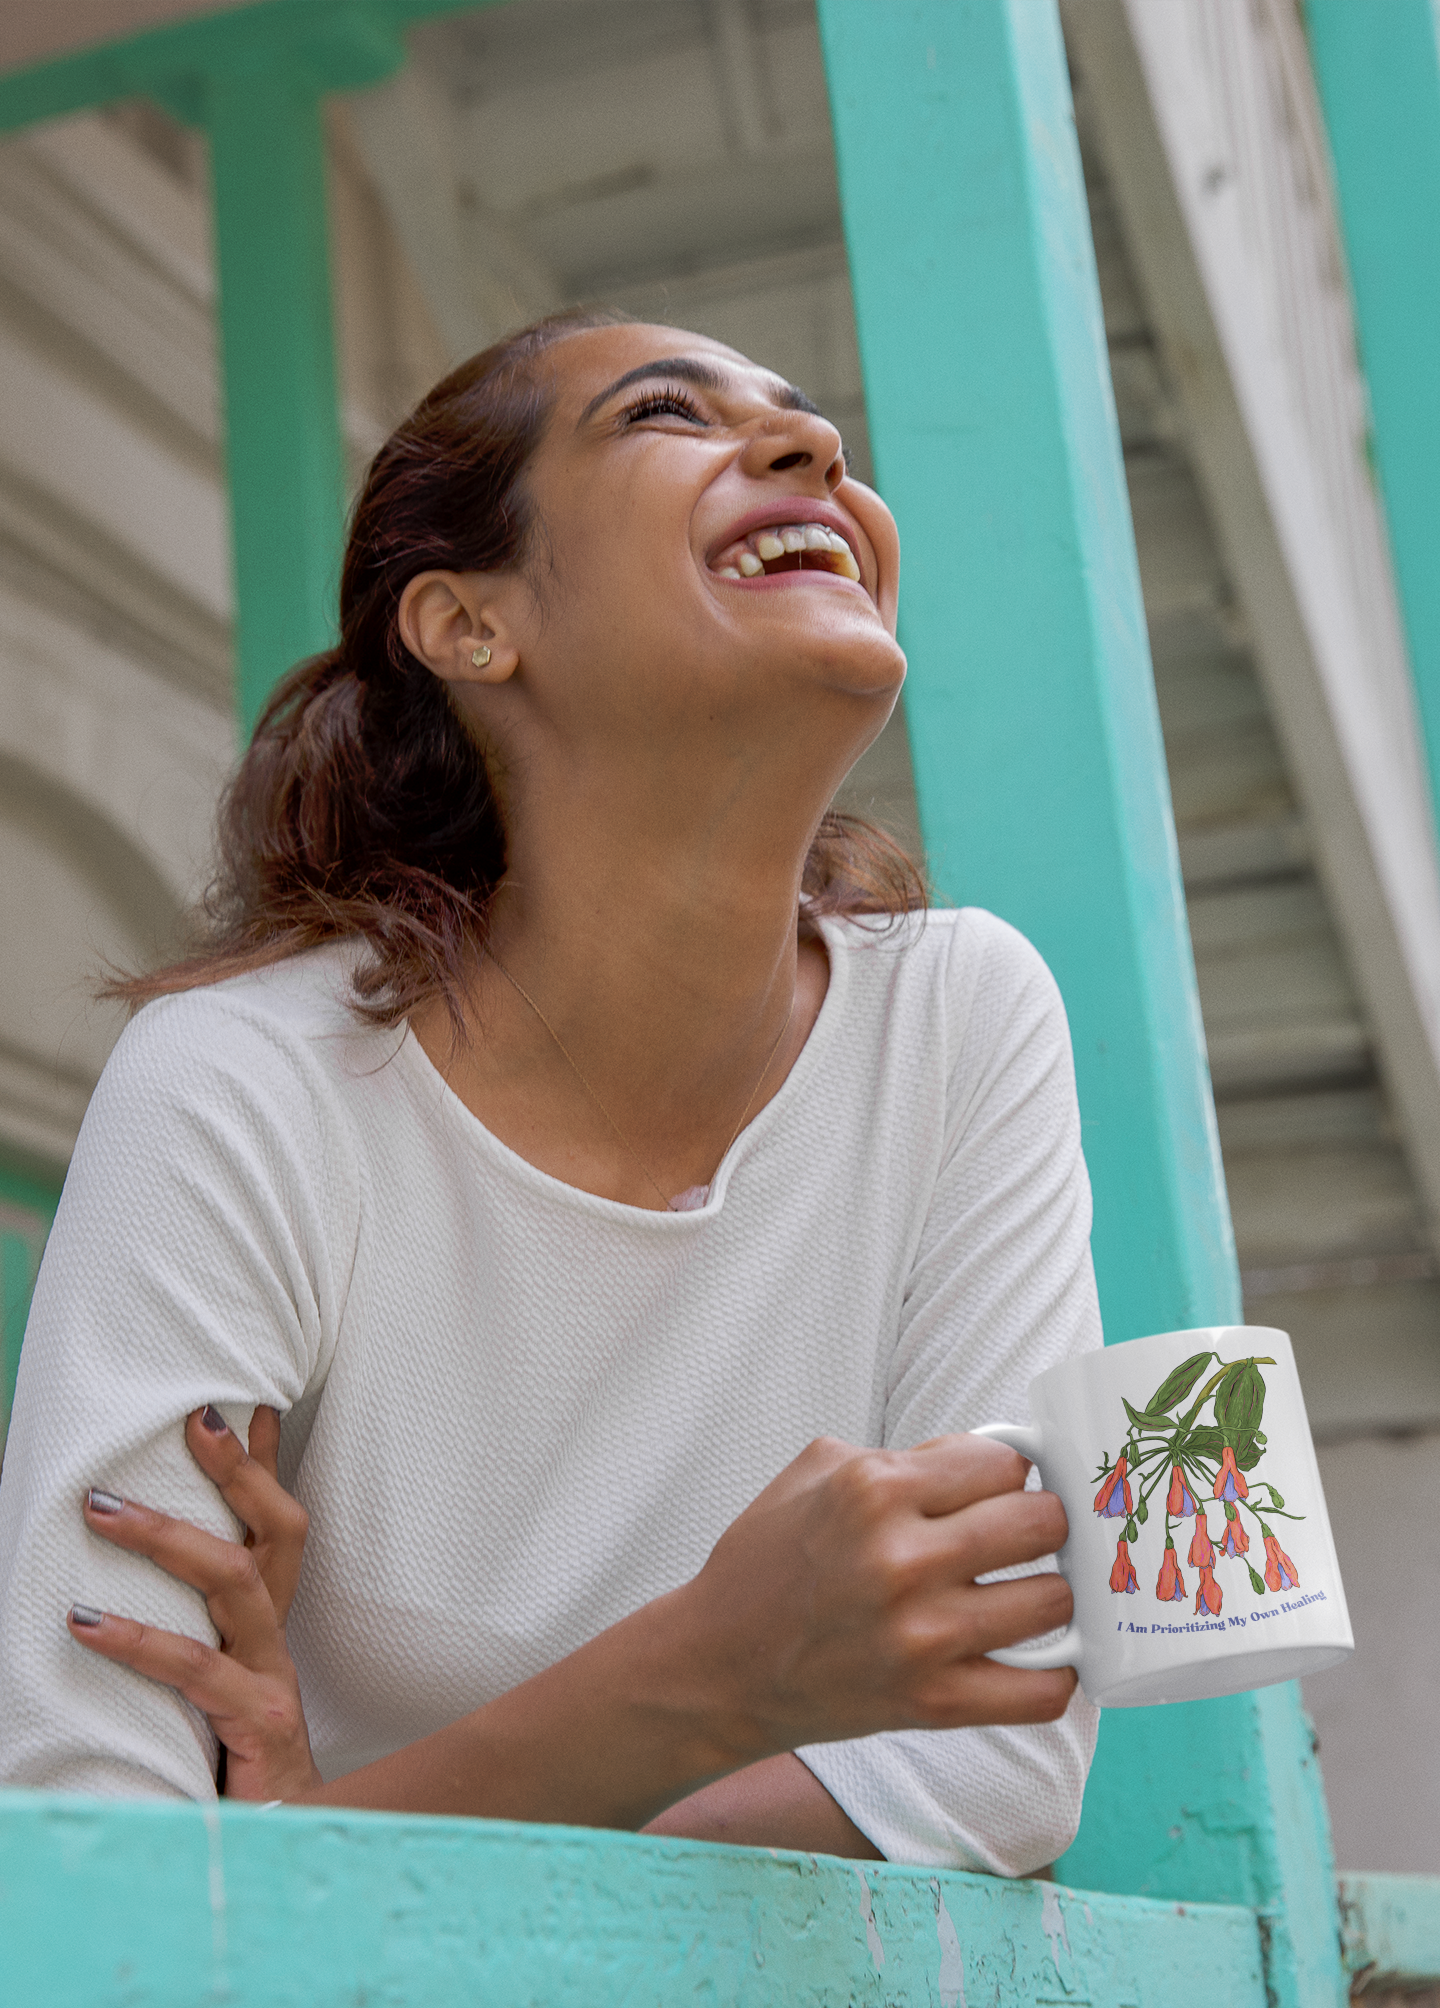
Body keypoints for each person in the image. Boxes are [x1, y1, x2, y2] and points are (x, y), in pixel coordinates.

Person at [0, 312, 1100, 1870]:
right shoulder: (247, 1084)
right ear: (467, 627)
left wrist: (327, 1845)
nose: (814, 451)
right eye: (667, 413)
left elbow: (996, 1765)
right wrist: (710, 1676)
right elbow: (90, 1852)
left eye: (804, 421)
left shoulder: (964, 1019)